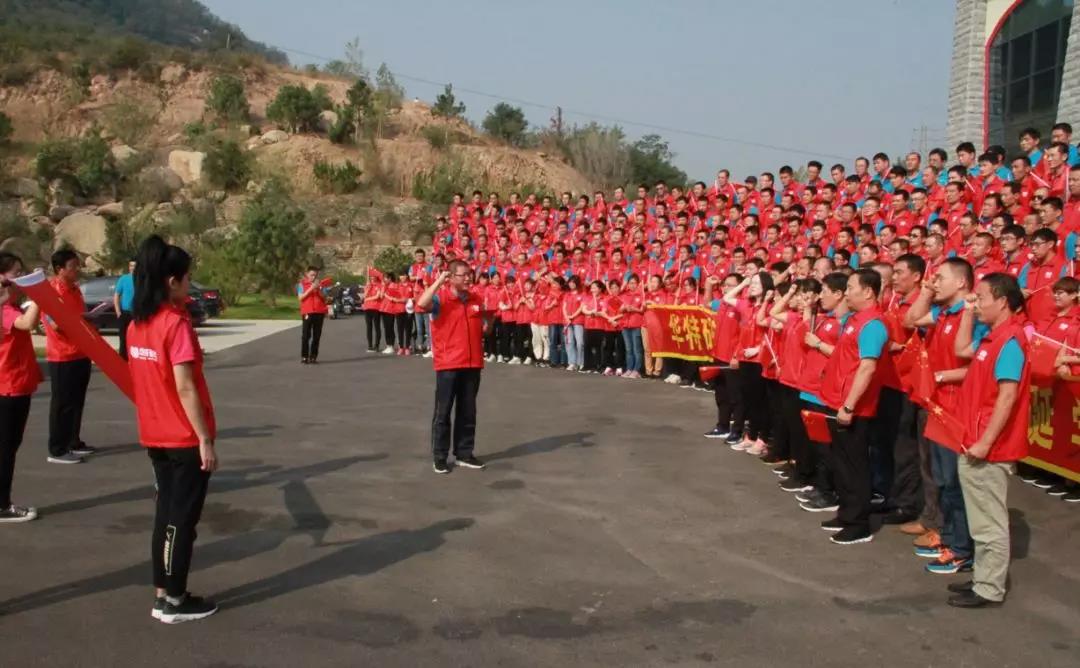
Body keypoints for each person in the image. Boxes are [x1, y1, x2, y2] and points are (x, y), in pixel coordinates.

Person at [127, 235, 219, 624]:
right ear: (172, 282)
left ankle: (162, 593)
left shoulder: (137, 325)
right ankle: (176, 601)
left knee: (165, 515)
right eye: (187, 278)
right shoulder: (174, 324)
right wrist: (204, 439)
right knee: (182, 521)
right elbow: (185, 387)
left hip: (155, 434)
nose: (190, 284)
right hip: (182, 436)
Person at [946, 273, 1029, 608]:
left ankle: (989, 588)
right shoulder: (993, 338)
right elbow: (962, 351)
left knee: (989, 522)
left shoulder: (1010, 342)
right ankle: (983, 576)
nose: (975, 303)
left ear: (1003, 301)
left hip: (988, 447)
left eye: (981, 298)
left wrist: (985, 442)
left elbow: (1007, 398)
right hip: (973, 438)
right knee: (980, 517)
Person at [818, 269, 888, 545]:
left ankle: (859, 524)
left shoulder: (872, 325)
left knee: (854, 466)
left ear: (868, 291)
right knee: (841, 463)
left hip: (852, 407)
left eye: (850, 287)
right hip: (837, 400)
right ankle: (846, 513)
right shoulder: (854, 320)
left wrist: (849, 406)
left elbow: (867, 368)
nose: (846, 293)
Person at [417, 260, 488, 474]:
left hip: (472, 363)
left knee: (468, 411)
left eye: (469, 274)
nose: (468, 278)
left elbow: (483, 328)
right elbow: (421, 303)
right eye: (462, 275)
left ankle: (464, 453)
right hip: (448, 364)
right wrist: (439, 281)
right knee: (443, 412)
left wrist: (489, 322)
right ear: (450, 277)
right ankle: (440, 456)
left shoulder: (476, 299)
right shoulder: (440, 299)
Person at [0, 252, 43, 522]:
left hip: (16, 385)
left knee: (8, 447)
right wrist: (40, 294)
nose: (21, 278)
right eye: (16, 273)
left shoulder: (10, 307)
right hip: (8, 388)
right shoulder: (4, 311)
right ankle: (2, 505)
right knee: (5, 449)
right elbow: (28, 324)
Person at [43, 249, 94, 464]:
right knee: (62, 404)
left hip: (81, 352)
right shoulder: (52, 291)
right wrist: (78, 321)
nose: (77, 270)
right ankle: (57, 449)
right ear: (60, 269)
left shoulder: (75, 289)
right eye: (73, 266)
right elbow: (55, 324)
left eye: (77, 265)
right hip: (62, 355)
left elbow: (79, 315)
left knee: (76, 401)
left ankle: (73, 441)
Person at [297, 266, 328, 364]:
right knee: (306, 335)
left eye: (315, 275)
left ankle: (313, 356)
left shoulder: (321, 285)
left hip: (319, 312)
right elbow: (300, 297)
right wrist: (311, 288)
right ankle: (304, 356)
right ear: (307, 274)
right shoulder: (302, 284)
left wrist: (319, 289)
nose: (313, 277)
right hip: (307, 312)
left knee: (317, 335)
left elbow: (325, 297)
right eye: (312, 275)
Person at [113, 258, 136, 361]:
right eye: (131, 266)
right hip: (125, 313)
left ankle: (134, 361)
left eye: (135, 266)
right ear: (129, 267)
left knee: (136, 340)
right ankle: (122, 362)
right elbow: (116, 295)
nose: (133, 268)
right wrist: (118, 312)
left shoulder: (142, 279)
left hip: (137, 314)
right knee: (123, 339)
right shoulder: (123, 279)